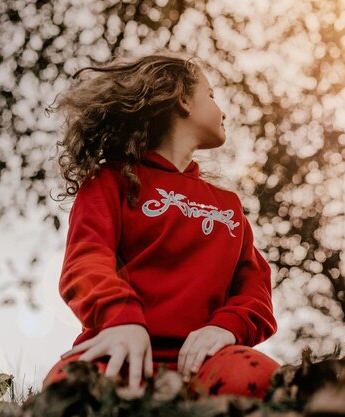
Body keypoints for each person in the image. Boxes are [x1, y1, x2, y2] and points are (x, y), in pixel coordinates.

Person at [41, 50, 280, 399]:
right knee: (68, 390)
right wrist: (122, 318)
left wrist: (226, 328)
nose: (222, 109)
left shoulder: (228, 206)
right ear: (183, 100)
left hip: (206, 363)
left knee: (263, 381)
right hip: (121, 349)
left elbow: (254, 287)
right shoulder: (110, 182)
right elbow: (86, 261)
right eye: (211, 96)